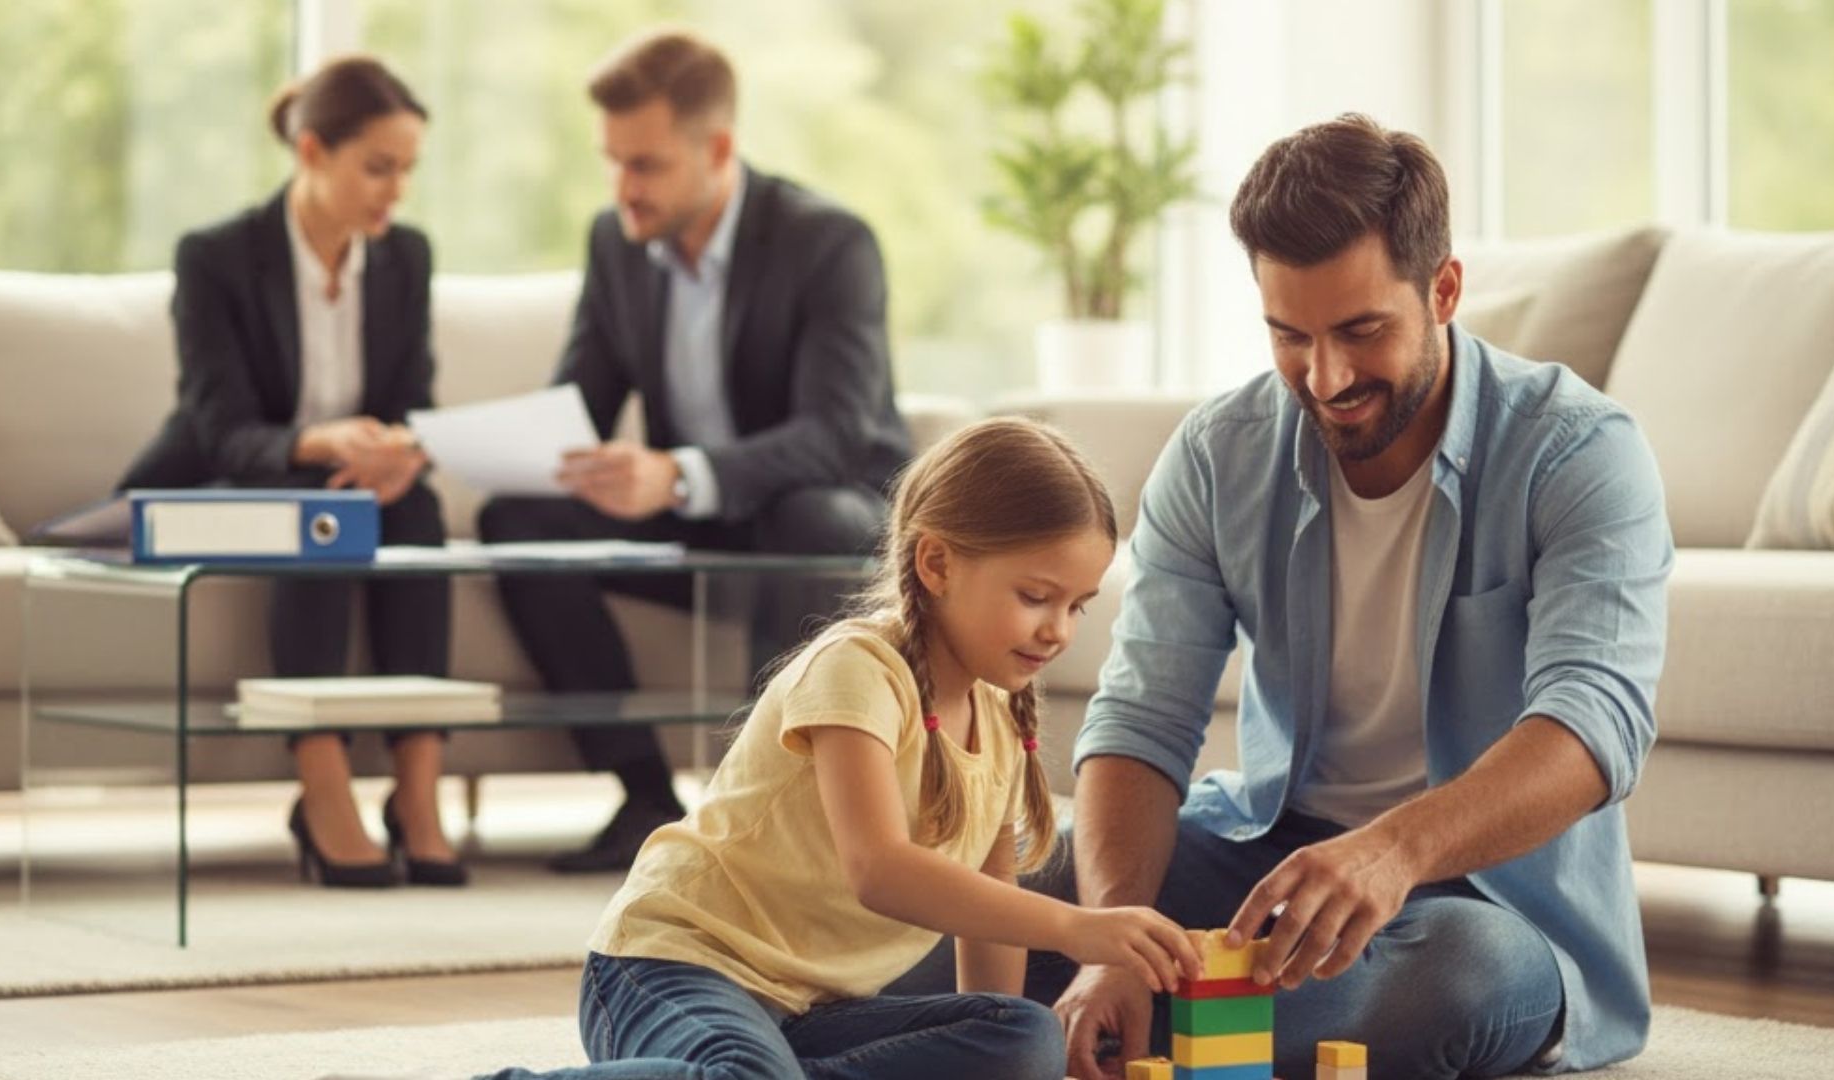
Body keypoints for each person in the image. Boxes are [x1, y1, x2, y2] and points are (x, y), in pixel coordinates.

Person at [897, 114, 1675, 1079]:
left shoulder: (1579, 451)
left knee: (1459, 981)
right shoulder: (1221, 453)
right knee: (972, 895)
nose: (1328, 376)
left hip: (1483, 900)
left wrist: (1390, 854)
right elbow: (1143, 718)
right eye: (1289, 336)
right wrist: (1109, 936)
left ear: (1444, 289)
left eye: (1362, 331)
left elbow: (1594, 723)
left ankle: (1081, 1041)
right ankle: (1099, 1026)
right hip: (1264, 854)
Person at [476, 418, 1202, 1080]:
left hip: (808, 1012)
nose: (1059, 631)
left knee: (1022, 1037)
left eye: (1077, 606)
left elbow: (989, 917)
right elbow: (879, 869)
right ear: (938, 565)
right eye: (1036, 596)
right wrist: (1076, 927)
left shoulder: (999, 717)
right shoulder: (857, 670)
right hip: (674, 967)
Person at [477, 29, 912, 874]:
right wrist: (501, 451)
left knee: (811, 513)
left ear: (716, 149)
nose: (623, 189)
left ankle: (756, 811)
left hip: (816, 517)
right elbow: (582, 405)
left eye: (645, 166)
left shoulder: (828, 243)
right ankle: (641, 795)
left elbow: (838, 431)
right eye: (613, 162)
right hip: (695, 525)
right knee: (517, 517)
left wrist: (677, 475)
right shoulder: (617, 243)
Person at [119, 56, 465, 888]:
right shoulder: (218, 257)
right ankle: (322, 787)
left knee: (415, 512)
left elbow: (413, 401)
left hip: (345, 483)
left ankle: (418, 794)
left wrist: (398, 455)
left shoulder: (405, 257)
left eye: (408, 169)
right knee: (317, 511)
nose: (395, 190)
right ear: (312, 152)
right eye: (377, 167)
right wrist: (324, 444)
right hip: (236, 477)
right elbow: (223, 431)